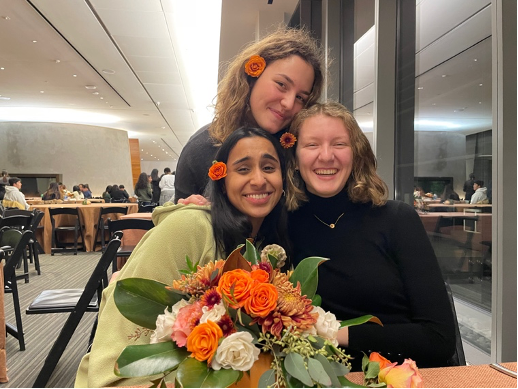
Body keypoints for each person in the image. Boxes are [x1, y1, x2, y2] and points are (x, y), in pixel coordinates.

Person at [75, 127, 289, 387]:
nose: (258, 180)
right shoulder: (191, 226)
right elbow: (119, 331)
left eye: (268, 168)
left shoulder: (267, 247)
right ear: (221, 180)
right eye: (243, 169)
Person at [284, 102, 456, 370]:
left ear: (357, 154)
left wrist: (333, 334)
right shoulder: (282, 225)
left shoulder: (396, 219)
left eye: (339, 144)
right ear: (294, 157)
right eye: (312, 145)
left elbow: (439, 338)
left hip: (404, 377)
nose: (326, 156)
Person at [174, 27, 326, 203]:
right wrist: (187, 213)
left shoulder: (300, 151)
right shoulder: (202, 148)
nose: (289, 103)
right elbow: (171, 221)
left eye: (300, 97)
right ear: (252, 77)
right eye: (281, 85)